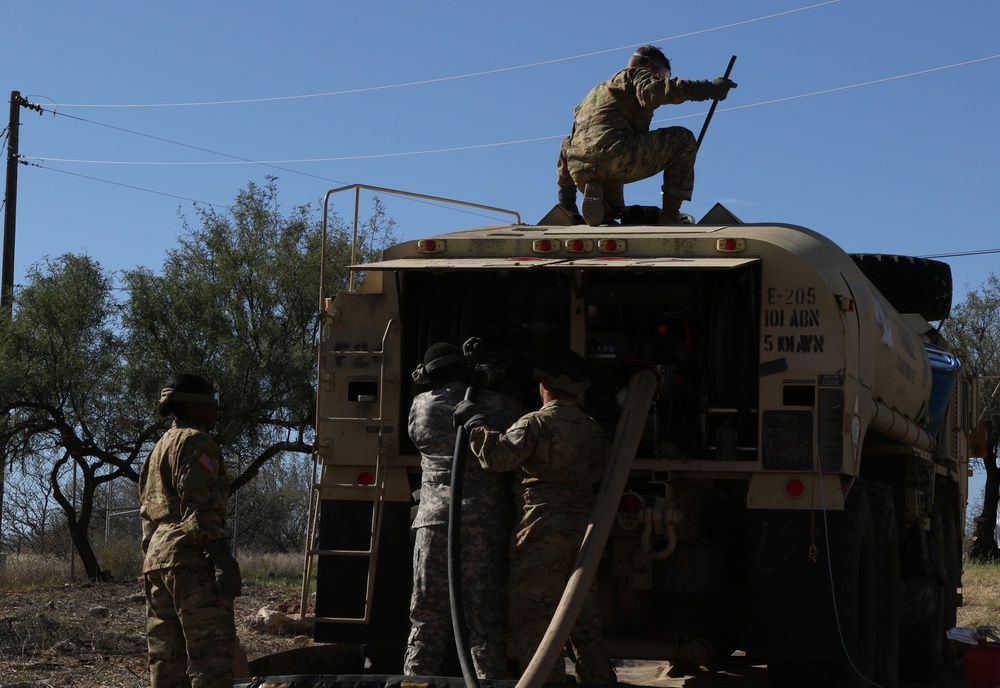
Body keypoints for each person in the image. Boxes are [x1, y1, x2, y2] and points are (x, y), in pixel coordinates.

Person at [454, 351, 614, 683]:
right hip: (585, 538)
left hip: (540, 536)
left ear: (544, 385)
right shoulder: (594, 430)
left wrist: (474, 423)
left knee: (536, 630)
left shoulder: (535, 423)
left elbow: (497, 458)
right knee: (584, 629)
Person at [403, 342, 525, 678]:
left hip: (432, 524)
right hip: (483, 525)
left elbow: (417, 434)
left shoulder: (421, 406)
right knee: (484, 623)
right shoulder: (502, 407)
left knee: (426, 618)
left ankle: (415, 683)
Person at [556, 44, 737, 226]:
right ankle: (670, 214)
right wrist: (707, 89)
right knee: (683, 139)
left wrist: (567, 205)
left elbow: (567, 144)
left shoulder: (594, 94)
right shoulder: (636, 75)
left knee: (613, 212)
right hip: (617, 155)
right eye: (664, 74)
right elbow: (654, 91)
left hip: (580, 169)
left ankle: (593, 208)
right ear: (647, 65)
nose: (662, 78)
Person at [139, 373, 242, 688]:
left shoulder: (158, 448)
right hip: (191, 560)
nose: (215, 409)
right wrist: (222, 558)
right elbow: (197, 507)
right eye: (211, 402)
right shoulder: (196, 440)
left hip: (157, 561)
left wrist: (152, 557)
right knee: (210, 660)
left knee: (167, 664)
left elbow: (147, 513)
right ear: (195, 406)